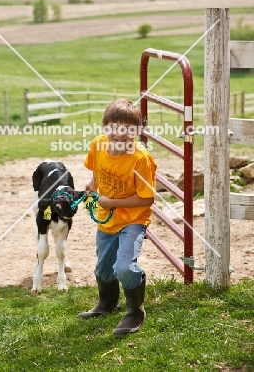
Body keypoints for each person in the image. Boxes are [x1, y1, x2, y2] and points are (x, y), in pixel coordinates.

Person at [77, 98, 157, 335]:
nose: (121, 134)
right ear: (105, 128)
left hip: (133, 219)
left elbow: (147, 199)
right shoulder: (98, 145)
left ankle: (135, 312)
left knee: (123, 267)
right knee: (103, 269)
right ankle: (107, 303)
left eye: (129, 129)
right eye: (115, 128)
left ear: (137, 131)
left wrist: (112, 201)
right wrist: (92, 186)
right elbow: (97, 170)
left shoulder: (141, 160)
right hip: (107, 217)